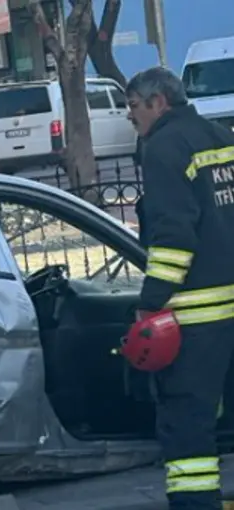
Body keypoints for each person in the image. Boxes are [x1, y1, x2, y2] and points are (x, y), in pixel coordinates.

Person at [127, 66, 234, 509]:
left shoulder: (165, 147)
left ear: (158, 102)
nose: (130, 117)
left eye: (134, 107)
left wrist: (149, 302)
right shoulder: (220, 137)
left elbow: (174, 237)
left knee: (188, 431)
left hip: (196, 322)